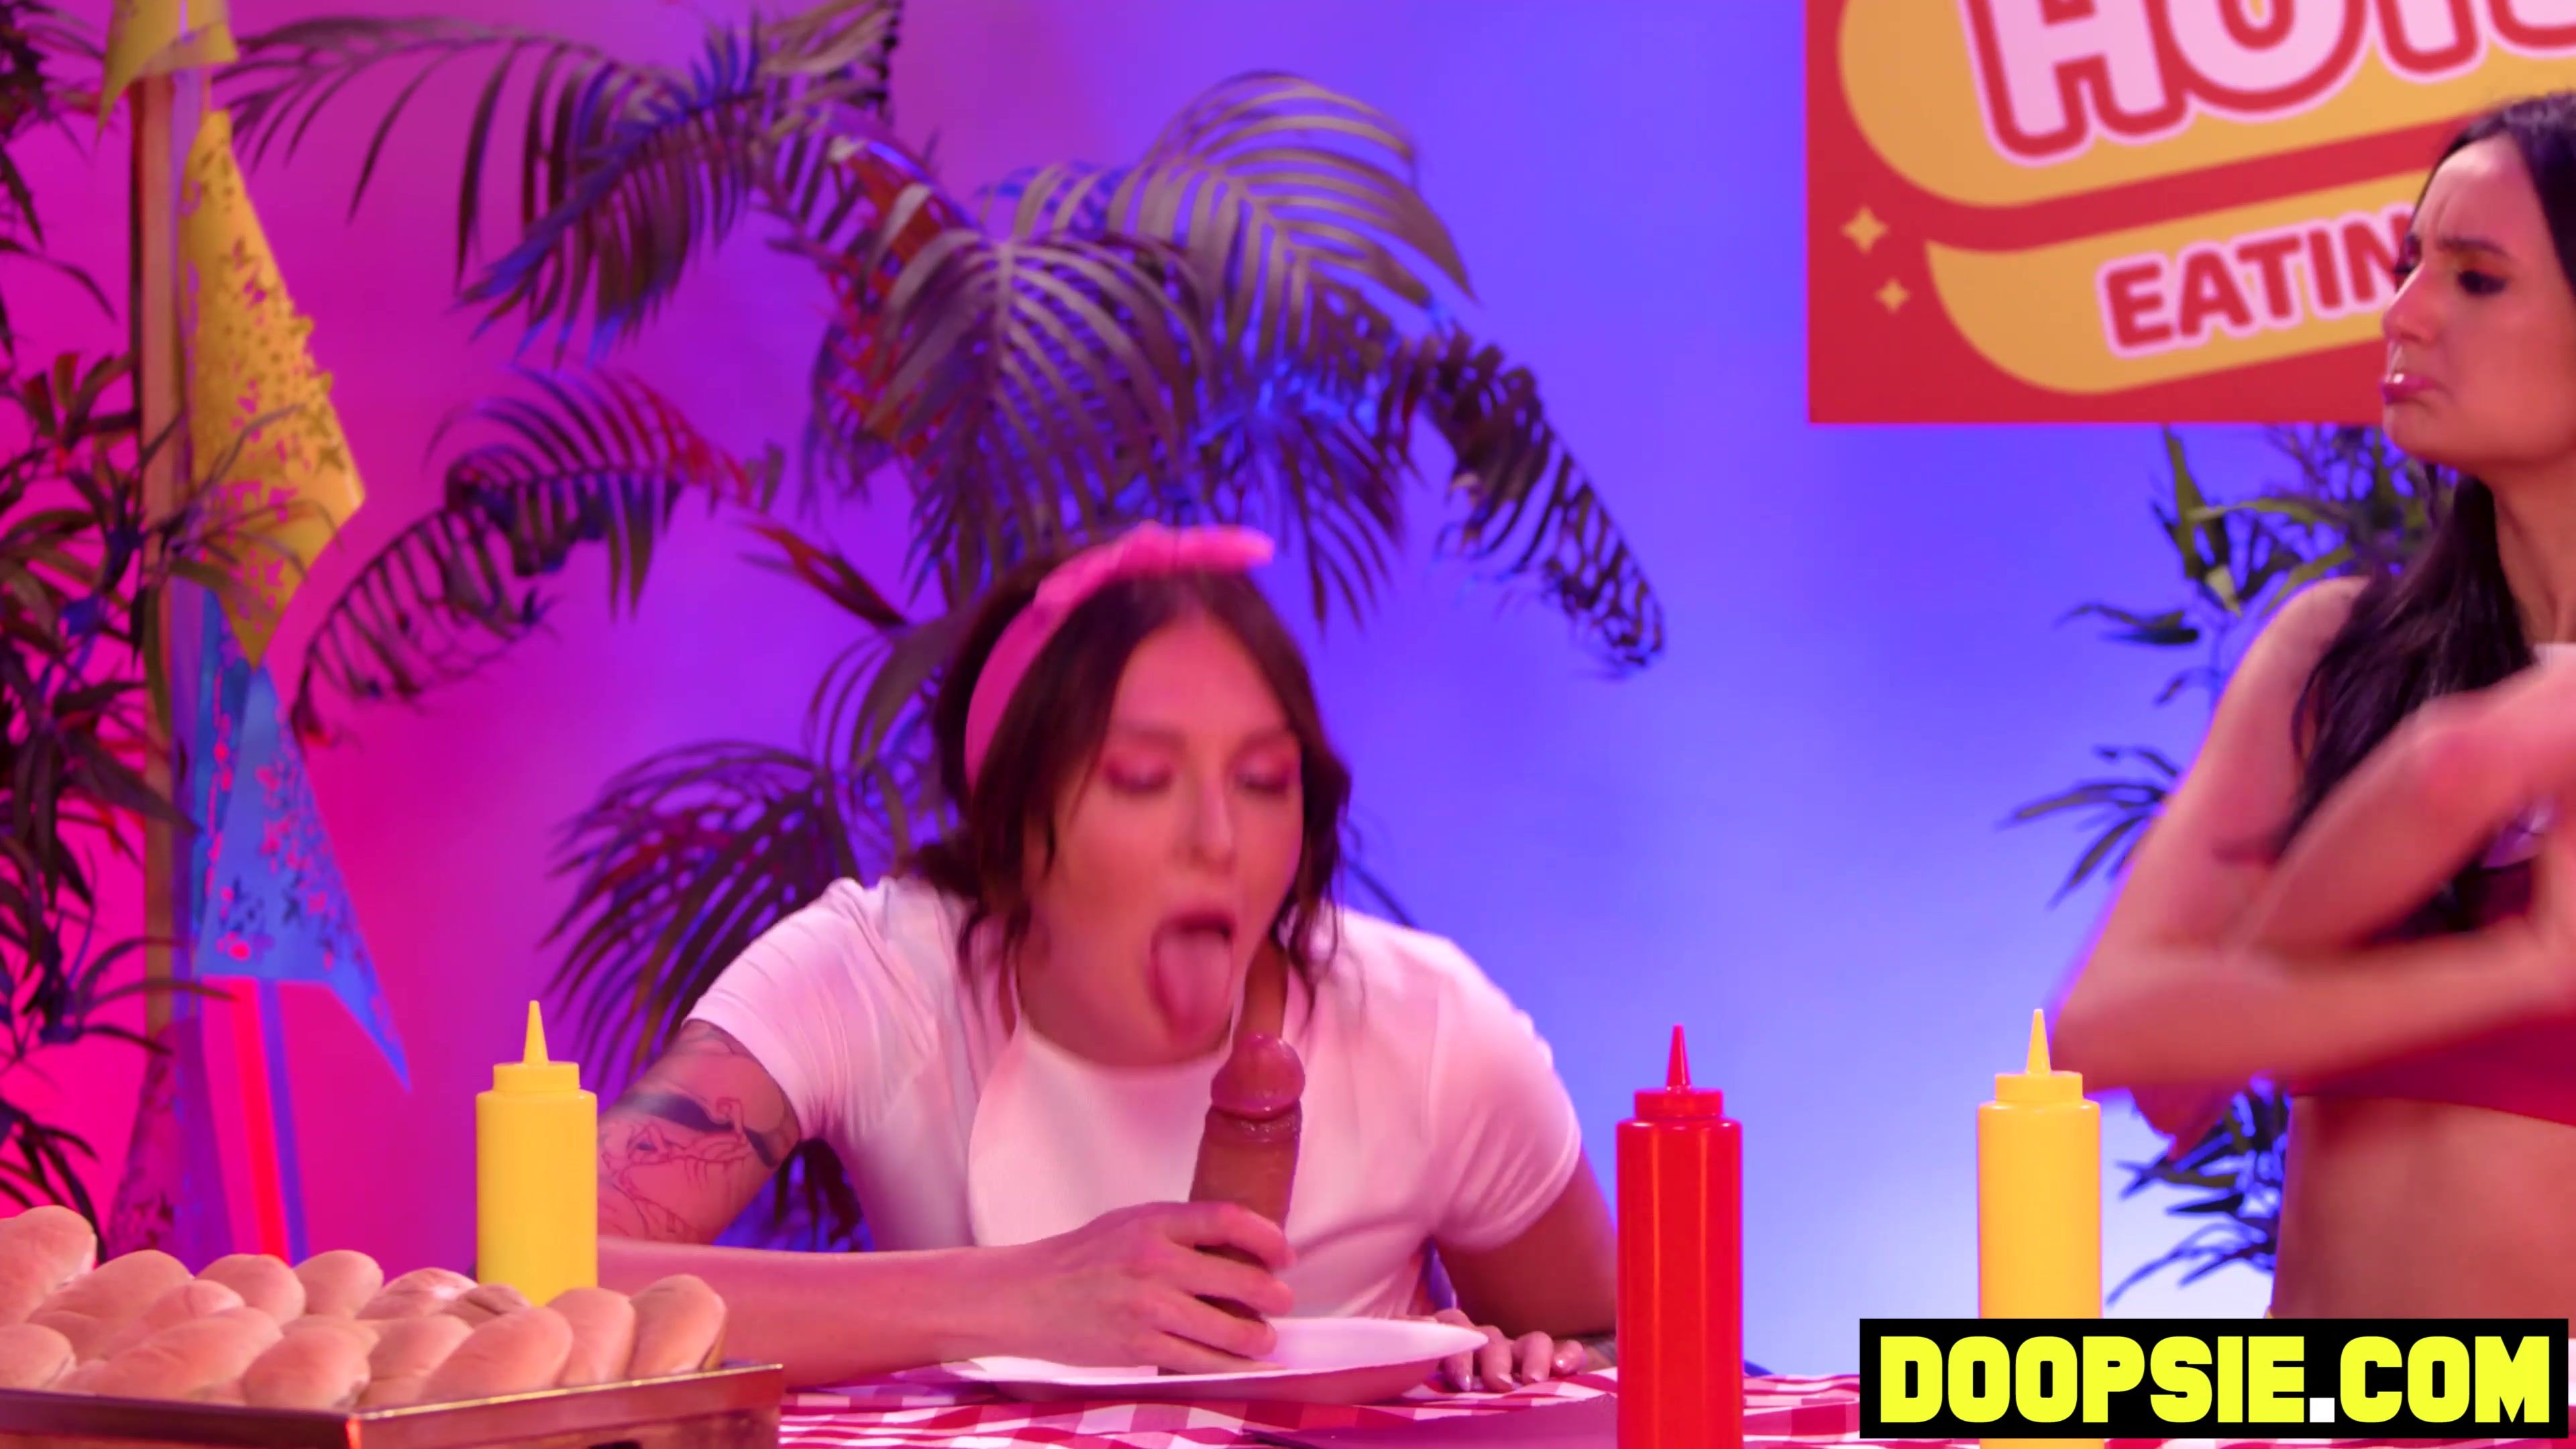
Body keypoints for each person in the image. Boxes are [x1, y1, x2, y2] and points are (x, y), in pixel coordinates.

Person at [588, 523, 1618, 1387]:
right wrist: (1013, 1297)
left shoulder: (1430, 1028)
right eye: (1140, 779)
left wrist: (1529, 1368)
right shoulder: (877, 974)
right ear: (1010, 819)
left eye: (1264, 781)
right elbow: (541, 1275)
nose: (1219, 838)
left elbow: (1610, 1350)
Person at [2053, 91, 2576, 1318]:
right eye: (2408, 267)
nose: (2403, 313)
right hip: (2316, 1396)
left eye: (2477, 279)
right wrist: (2517, 970)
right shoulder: (2337, 654)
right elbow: (2120, 1044)